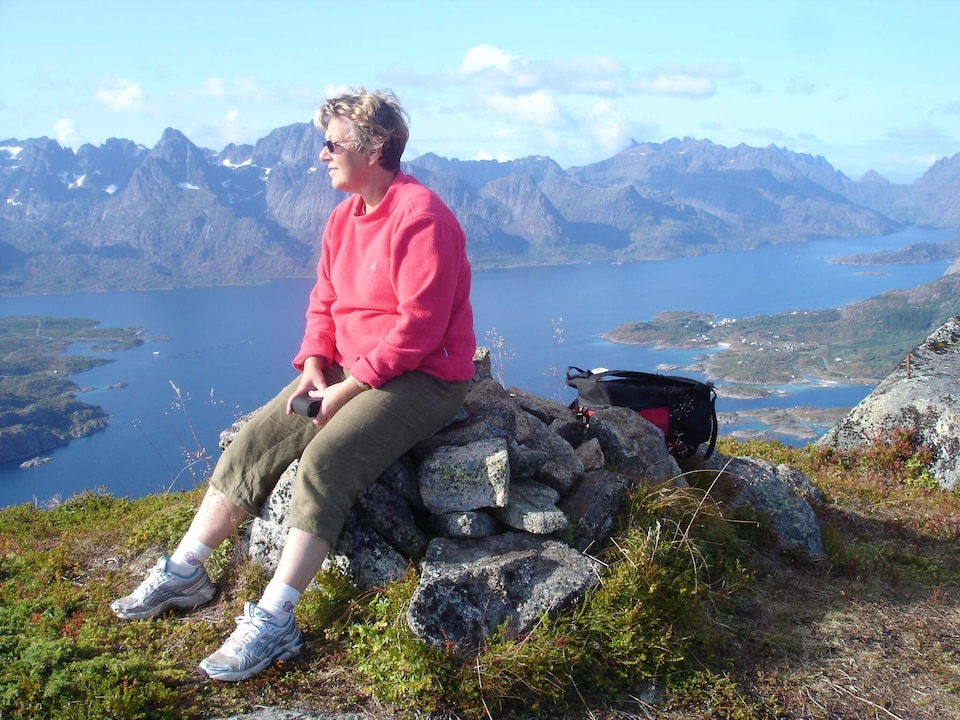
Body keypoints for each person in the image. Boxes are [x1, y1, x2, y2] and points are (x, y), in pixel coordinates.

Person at [110, 88, 477, 682]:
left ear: (375, 146)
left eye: (332, 143)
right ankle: (187, 569)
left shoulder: (422, 217)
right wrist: (314, 362)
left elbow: (418, 330)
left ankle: (276, 618)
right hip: (348, 369)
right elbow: (325, 301)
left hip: (425, 377)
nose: (322, 154)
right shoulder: (343, 217)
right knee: (255, 440)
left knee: (324, 463)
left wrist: (344, 391)